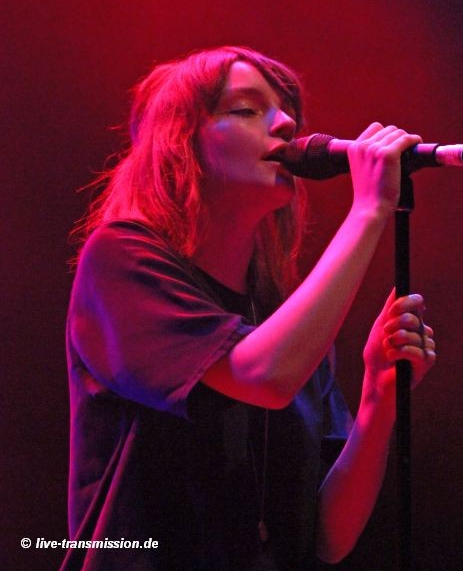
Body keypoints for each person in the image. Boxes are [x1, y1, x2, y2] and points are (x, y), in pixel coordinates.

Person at [61, 46, 436, 571]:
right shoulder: (120, 260)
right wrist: (370, 208)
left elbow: (328, 537)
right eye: (246, 109)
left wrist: (378, 397)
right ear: (182, 143)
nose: (285, 124)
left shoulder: (283, 315)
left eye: (287, 112)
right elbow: (264, 374)